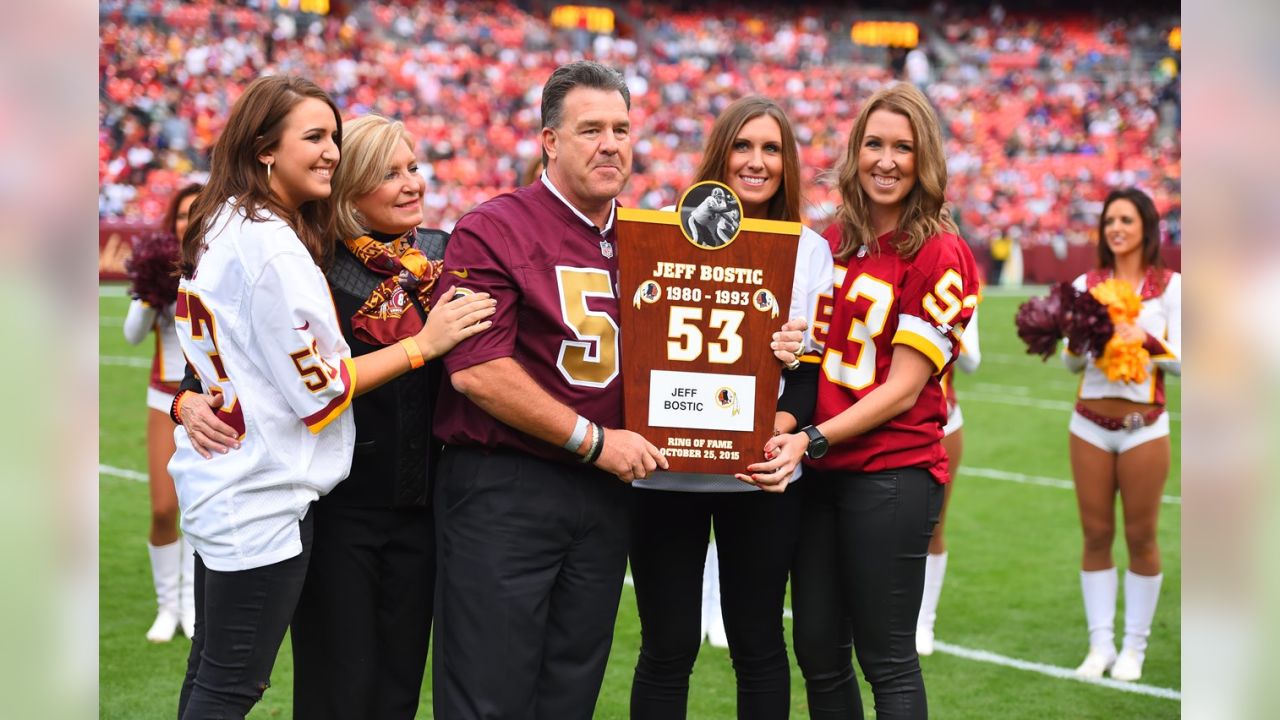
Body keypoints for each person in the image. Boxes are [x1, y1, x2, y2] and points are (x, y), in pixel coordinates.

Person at [429, 62, 807, 720]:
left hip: (605, 496)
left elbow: (696, 349)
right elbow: (476, 369)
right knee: (488, 694)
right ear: (549, 141)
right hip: (508, 487)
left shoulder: (646, 238)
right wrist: (593, 440)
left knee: (569, 693)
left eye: (622, 129)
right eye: (591, 129)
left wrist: (771, 350)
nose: (611, 144)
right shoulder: (491, 226)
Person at [168, 75, 491, 720]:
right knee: (314, 687)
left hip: (420, 505)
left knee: (393, 687)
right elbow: (271, 372)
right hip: (328, 505)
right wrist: (186, 399)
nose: (412, 184)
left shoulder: (445, 257)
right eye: (388, 172)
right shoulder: (307, 253)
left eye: (415, 168)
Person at [747, 83, 980, 719]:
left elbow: (903, 386)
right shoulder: (836, 240)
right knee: (819, 650)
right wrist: (791, 348)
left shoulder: (940, 250)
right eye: (873, 143)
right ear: (854, 153)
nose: (886, 160)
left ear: (924, 158)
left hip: (890, 473)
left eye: (902, 147)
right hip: (823, 474)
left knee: (887, 659)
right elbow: (815, 360)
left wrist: (813, 437)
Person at [628, 96, 834, 720]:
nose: (756, 161)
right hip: (667, 466)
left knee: (758, 643)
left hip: (760, 473)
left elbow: (813, 370)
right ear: (720, 154)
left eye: (771, 148)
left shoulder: (808, 249)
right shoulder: (663, 228)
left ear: (787, 162)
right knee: (667, 647)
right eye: (743, 146)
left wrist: (773, 428)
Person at [1065, 187, 1180, 682]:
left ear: (1146, 228)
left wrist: (1148, 341)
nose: (1116, 228)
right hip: (1088, 425)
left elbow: (1185, 364)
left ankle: (1134, 647)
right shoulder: (1084, 283)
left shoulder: (1171, 287)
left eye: (1127, 220)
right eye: (1110, 220)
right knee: (1095, 534)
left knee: (1141, 536)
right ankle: (1100, 646)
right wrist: (1079, 337)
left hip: (1143, 428)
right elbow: (1070, 362)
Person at [122, 182, 201, 643]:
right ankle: (166, 606)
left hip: (209, 402)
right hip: (164, 398)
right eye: (182, 214)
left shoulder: (218, 263)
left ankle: (190, 605)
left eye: (197, 213)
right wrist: (151, 293)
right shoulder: (155, 266)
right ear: (170, 221)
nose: (188, 222)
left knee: (195, 507)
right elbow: (133, 335)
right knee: (162, 508)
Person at [915, 312, 980, 656]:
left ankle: (924, 620)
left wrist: (950, 324)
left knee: (933, 524)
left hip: (942, 419)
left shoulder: (958, 287)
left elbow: (972, 362)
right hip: (885, 417)